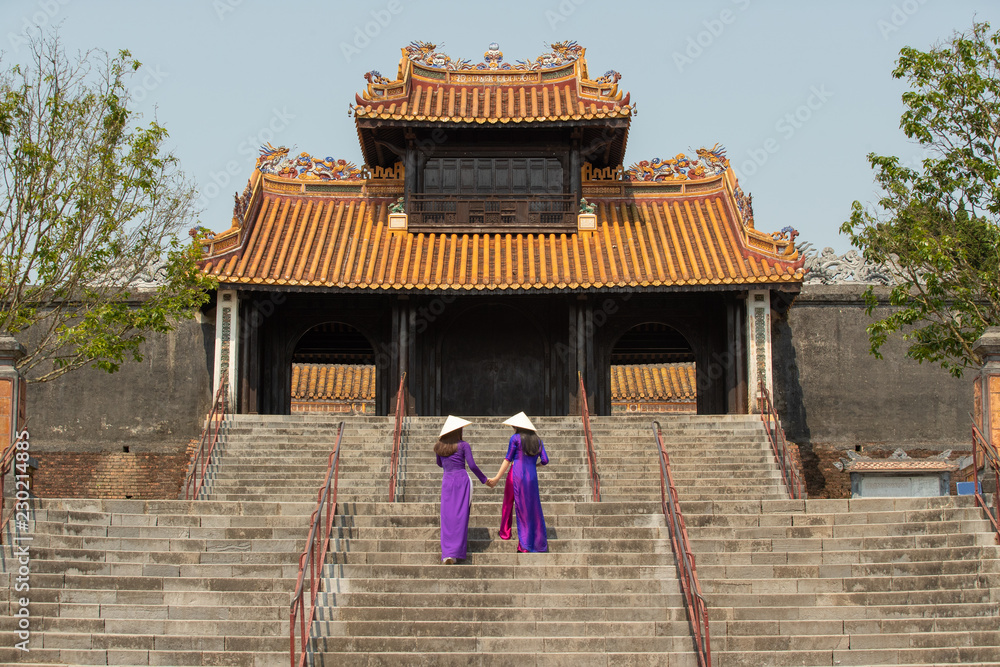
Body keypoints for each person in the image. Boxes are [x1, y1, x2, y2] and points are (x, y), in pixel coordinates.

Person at [487, 412, 549, 553]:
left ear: (517, 426)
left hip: (516, 473)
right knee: (531, 506)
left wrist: (497, 477)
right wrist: (535, 465)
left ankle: (505, 533)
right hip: (531, 476)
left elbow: (508, 459)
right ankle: (536, 541)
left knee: (509, 503)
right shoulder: (538, 441)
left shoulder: (515, 438)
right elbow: (545, 460)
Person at [435, 415, 488, 564]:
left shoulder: (439, 446)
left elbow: (439, 463)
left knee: (446, 517)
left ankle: (447, 554)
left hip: (447, 480)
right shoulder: (463, 445)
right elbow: (472, 465)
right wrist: (484, 479)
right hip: (461, 480)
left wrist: (448, 464)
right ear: (458, 431)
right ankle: (457, 552)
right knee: (460, 516)